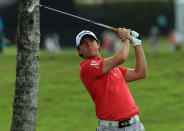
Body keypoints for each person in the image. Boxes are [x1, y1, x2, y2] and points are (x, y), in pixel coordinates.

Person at [76, 28, 147, 131]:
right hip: (110, 128)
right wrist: (126, 38)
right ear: (79, 50)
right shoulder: (86, 67)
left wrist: (137, 44)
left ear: (98, 44)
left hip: (135, 125)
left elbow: (140, 72)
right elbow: (121, 57)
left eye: (91, 41)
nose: (88, 44)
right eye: (83, 43)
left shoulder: (112, 68)